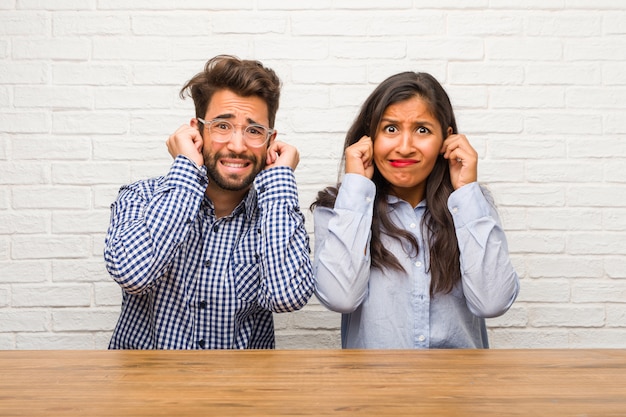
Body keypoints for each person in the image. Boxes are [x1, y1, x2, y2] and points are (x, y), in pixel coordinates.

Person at [105, 55, 314, 349]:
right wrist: (186, 169)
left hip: (239, 391)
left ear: (270, 139)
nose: (238, 145)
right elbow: (135, 275)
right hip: (145, 390)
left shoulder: (275, 215)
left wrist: (280, 180)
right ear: (197, 130)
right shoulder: (140, 198)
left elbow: (287, 297)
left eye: (254, 131)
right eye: (222, 126)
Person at [311, 71, 519, 349]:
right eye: (391, 129)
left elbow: (492, 302)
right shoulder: (339, 208)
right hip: (374, 387)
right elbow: (340, 298)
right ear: (369, 135)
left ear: (445, 139)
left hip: (459, 388)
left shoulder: (471, 206)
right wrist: (356, 186)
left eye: (422, 130)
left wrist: (467, 191)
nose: (405, 147)